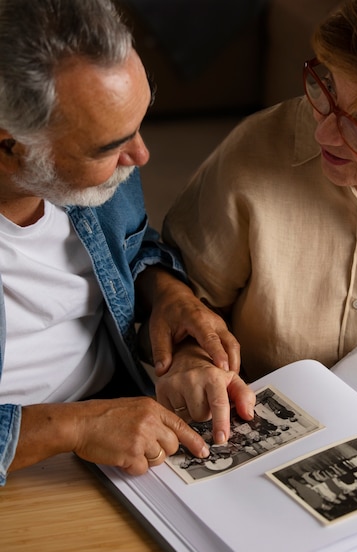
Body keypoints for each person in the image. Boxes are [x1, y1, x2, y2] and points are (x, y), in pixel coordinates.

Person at [0, 0, 256, 487]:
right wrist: (77, 426)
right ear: (10, 147)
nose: (140, 155)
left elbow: (131, 248)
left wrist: (169, 298)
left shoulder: (93, 174)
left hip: (117, 426)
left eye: (139, 122)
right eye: (109, 147)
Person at [162, 0, 357, 466]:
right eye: (326, 92)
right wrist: (190, 359)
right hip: (254, 449)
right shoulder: (257, 151)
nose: (324, 134)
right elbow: (178, 299)